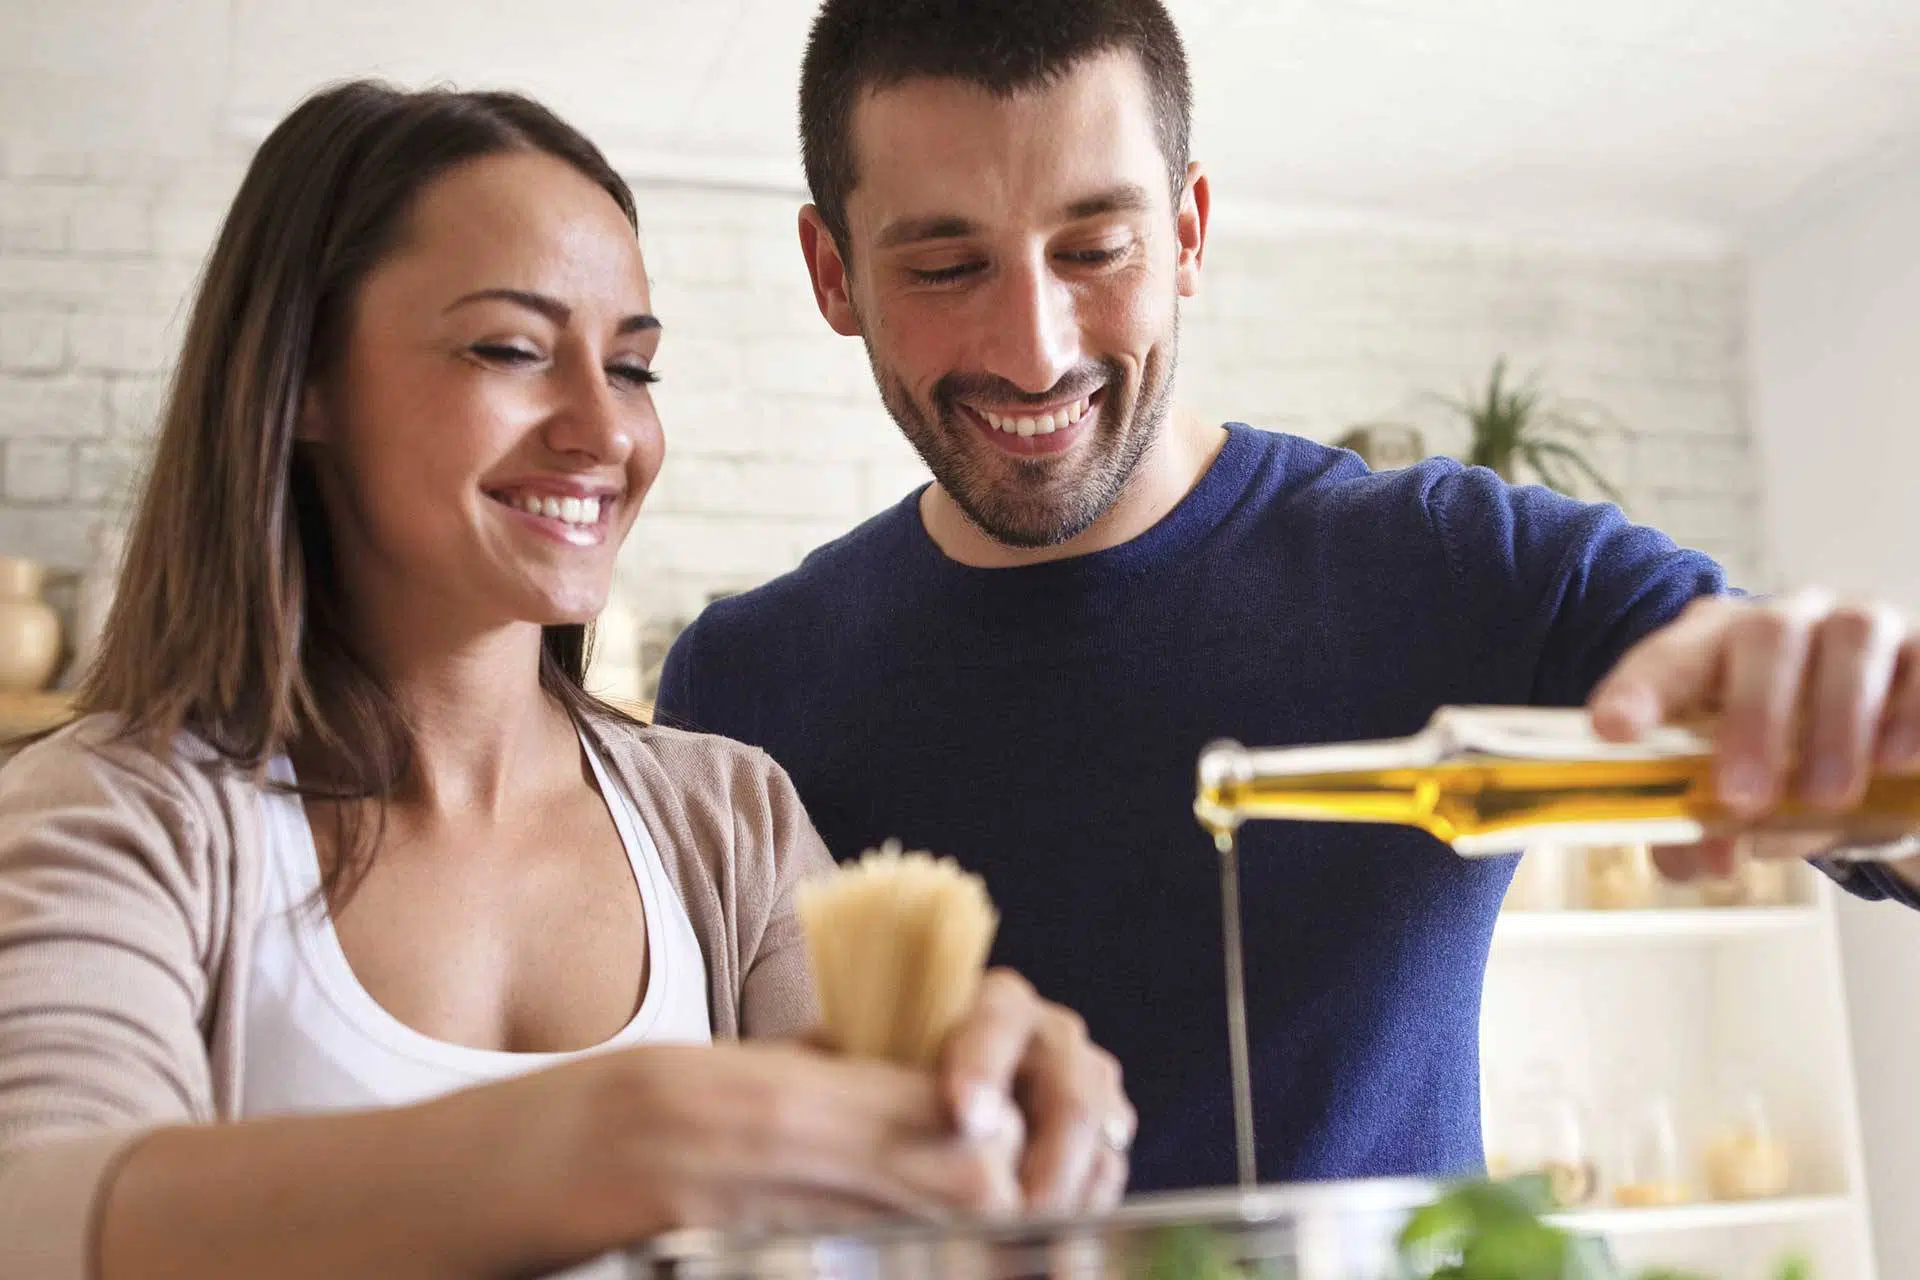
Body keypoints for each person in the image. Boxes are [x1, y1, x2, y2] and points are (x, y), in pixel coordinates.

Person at [654, 0, 1920, 1194]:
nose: (1033, 347)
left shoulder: (1458, 563)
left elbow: (1856, 777)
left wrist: (1866, 729)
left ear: (1190, 231)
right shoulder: (741, 682)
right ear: (832, 273)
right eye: (944, 267)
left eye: (1096, 248)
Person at [0, 82, 1134, 1280]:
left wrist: (983, 1141)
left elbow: (867, 1228)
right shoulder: (118, 814)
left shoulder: (728, 820)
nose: (603, 428)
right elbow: (32, 1209)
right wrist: (616, 1138)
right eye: (512, 349)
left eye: (634, 367)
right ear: (303, 380)